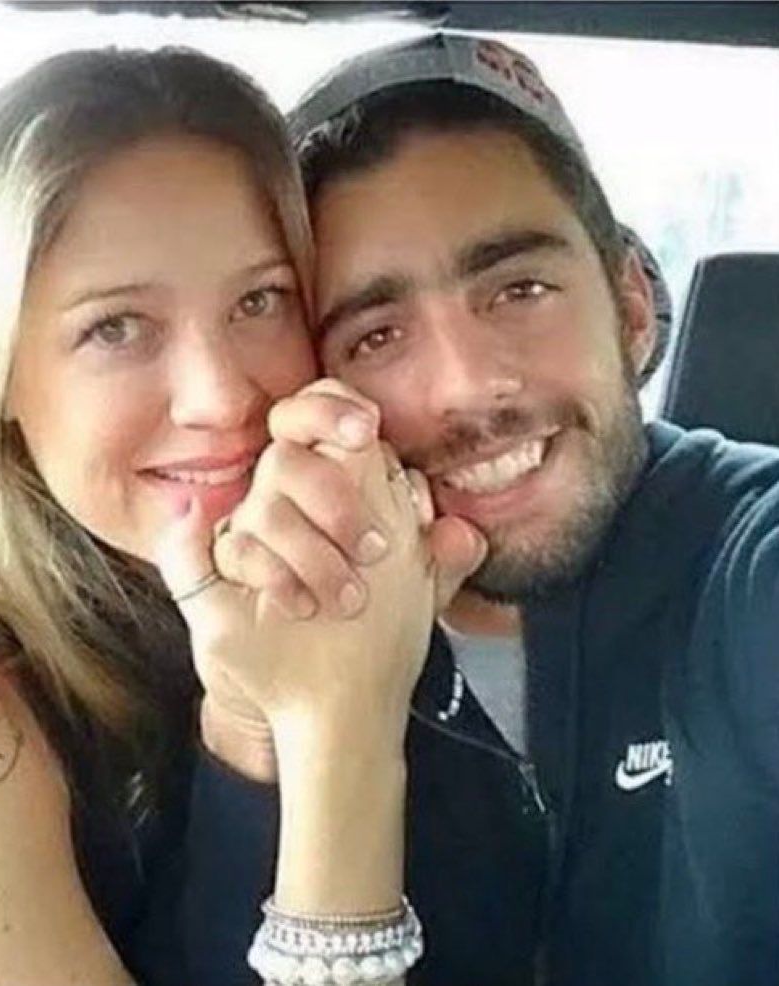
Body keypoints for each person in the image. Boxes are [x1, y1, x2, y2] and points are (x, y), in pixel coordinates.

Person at [0, 45, 472, 986]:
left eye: (260, 300)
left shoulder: (266, 556)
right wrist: (338, 729)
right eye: (115, 328)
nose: (220, 396)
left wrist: (254, 726)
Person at [181, 32, 779, 986]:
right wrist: (263, 728)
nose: (466, 387)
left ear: (630, 307)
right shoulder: (254, 629)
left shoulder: (746, 560)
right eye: (376, 336)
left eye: (520, 289)